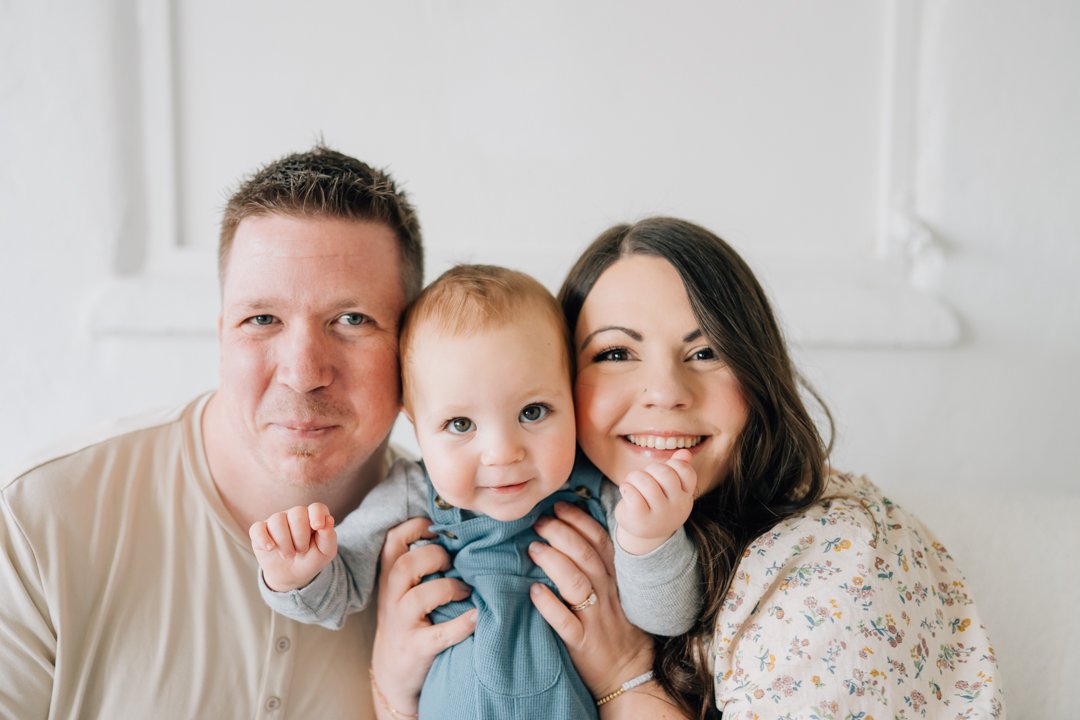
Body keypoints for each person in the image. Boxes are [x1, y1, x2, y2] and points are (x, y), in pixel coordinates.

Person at [375, 217, 1006, 718]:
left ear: (755, 373)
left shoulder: (842, 557)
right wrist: (394, 686)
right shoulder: (573, 522)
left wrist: (624, 677)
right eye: (616, 352)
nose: (665, 392)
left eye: (704, 351)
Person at [0, 145, 469, 718]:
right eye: (262, 319)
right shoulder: (37, 520)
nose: (303, 372)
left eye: (352, 319)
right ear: (223, 337)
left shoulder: (468, 539)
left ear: (410, 347)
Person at [250, 264, 704, 719]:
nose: (503, 453)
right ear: (416, 426)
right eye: (460, 424)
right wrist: (297, 574)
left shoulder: (603, 492)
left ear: (571, 398)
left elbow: (666, 619)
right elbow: (337, 596)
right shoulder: (411, 493)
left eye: (533, 411)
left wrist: (651, 539)